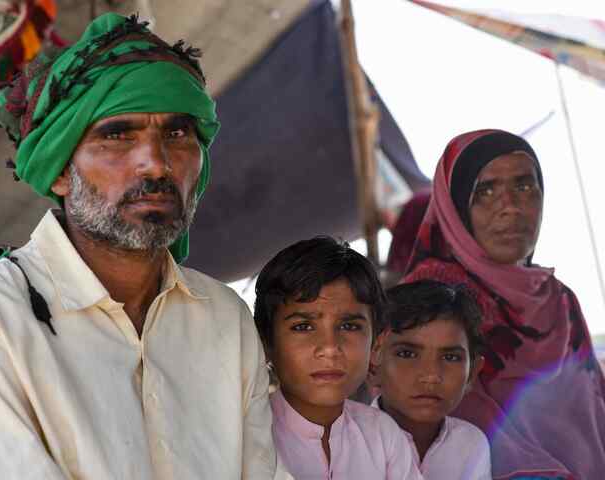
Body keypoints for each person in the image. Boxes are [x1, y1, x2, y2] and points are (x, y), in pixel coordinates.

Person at [0, 13, 279, 479]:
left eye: (176, 134)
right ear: (57, 171)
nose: (155, 164)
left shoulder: (223, 317)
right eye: (116, 135)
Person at [403, 129, 605, 479]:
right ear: (455, 207)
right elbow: (451, 423)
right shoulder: (429, 304)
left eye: (525, 186)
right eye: (485, 191)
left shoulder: (560, 300)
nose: (510, 207)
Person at [253, 236, 423, 480]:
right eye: (303, 327)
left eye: (349, 326)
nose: (330, 348)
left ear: (376, 344)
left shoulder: (382, 435)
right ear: (266, 343)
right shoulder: (247, 436)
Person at [370, 280, 491, 479]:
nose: (431, 376)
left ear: (472, 374)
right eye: (407, 354)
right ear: (372, 366)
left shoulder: (471, 444)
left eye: (450, 357)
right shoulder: (344, 443)